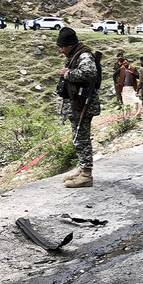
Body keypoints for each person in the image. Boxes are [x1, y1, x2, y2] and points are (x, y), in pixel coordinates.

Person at [56, 27, 101, 188]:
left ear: (69, 45)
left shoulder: (84, 55)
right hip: (76, 104)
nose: (61, 50)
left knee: (81, 139)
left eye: (62, 47)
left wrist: (67, 74)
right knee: (78, 138)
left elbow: (89, 73)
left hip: (82, 105)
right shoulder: (77, 54)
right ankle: (82, 169)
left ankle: (86, 175)